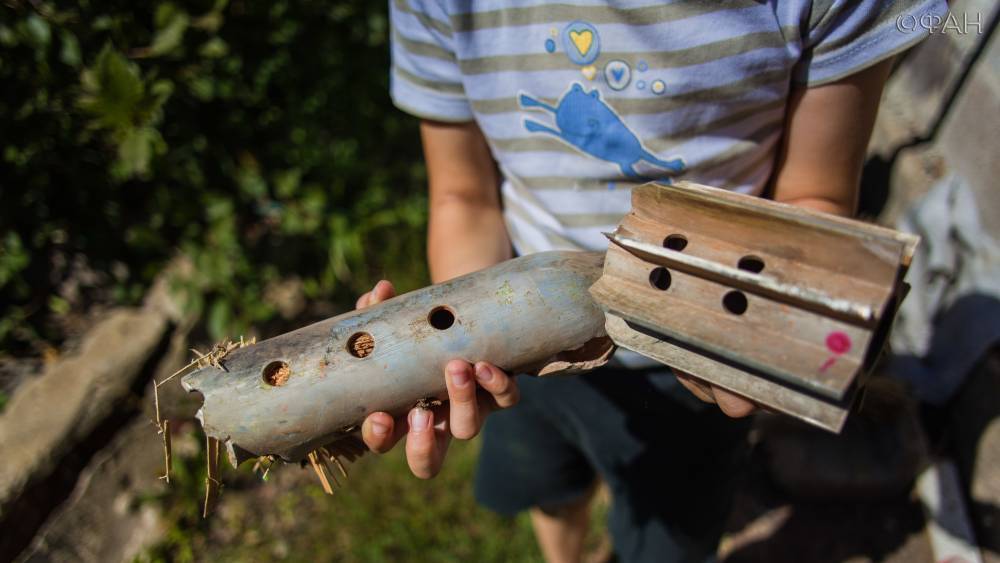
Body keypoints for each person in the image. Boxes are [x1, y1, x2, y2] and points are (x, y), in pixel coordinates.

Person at [356, 1, 946, 561]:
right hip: (526, 347)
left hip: (687, 371)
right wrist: (460, 341)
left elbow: (812, 196)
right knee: (552, 490)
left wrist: (763, 336)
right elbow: (464, 197)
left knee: (669, 538)